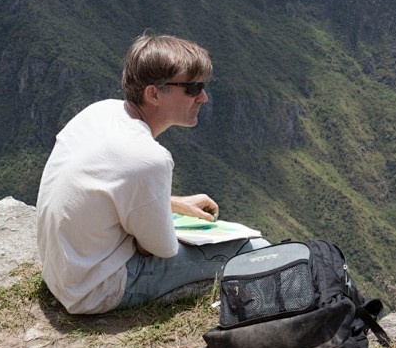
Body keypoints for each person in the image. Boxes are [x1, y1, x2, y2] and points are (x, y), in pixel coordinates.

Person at [36, 32, 250, 314]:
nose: (203, 97)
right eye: (192, 87)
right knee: (251, 248)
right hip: (95, 288)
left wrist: (173, 203)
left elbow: (105, 190)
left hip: (62, 272)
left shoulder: (99, 112)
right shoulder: (149, 158)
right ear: (153, 93)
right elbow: (158, 250)